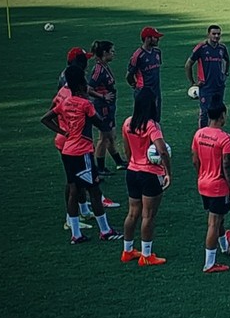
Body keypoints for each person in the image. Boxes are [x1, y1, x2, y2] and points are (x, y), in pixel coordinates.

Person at [42, 65, 123, 242]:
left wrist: (63, 132)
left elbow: (45, 118)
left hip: (68, 150)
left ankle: (76, 234)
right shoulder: (85, 104)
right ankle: (105, 231)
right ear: (81, 86)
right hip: (82, 152)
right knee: (94, 191)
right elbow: (100, 123)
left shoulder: (65, 102)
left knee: (73, 190)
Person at [121, 88, 171, 266]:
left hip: (132, 171)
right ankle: (147, 255)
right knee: (148, 215)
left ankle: (127, 251)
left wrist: (133, 163)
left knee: (132, 213)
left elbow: (127, 150)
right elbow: (162, 150)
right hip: (149, 174)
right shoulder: (151, 125)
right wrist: (167, 172)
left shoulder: (128, 123)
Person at [51, 52, 95, 234]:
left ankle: (82, 211)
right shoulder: (73, 96)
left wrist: (61, 130)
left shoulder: (62, 91)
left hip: (64, 140)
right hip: (73, 142)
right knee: (74, 183)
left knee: (75, 181)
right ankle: (71, 220)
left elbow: (50, 112)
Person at [191, 103, 230, 274]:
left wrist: (201, 175)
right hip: (218, 186)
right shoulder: (225, 138)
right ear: (222, 116)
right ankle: (209, 264)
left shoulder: (199, 134)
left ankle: (225, 247)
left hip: (203, 183)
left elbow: (195, 160)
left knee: (218, 218)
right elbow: (227, 165)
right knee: (213, 223)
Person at [88, 40, 126, 176]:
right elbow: (89, 88)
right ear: (105, 53)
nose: (114, 54)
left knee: (111, 136)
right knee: (104, 137)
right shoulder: (98, 70)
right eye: (112, 51)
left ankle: (119, 162)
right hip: (102, 106)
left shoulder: (104, 66)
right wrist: (102, 97)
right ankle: (100, 167)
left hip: (108, 106)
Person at [185, 24, 230, 128]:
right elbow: (188, 64)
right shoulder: (201, 48)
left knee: (218, 111)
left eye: (218, 34)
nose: (216, 36)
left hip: (219, 86)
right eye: (214, 34)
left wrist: (225, 73)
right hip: (206, 86)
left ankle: (216, 133)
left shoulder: (222, 48)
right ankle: (202, 135)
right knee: (204, 112)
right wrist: (193, 83)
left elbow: (227, 60)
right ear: (208, 34)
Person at [126, 26, 163, 122]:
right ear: (147, 39)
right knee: (142, 120)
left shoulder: (157, 52)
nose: (158, 39)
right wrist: (135, 85)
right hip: (143, 93)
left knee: (155, 120)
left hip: (156, 92)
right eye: (155, 37)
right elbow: (129, 75)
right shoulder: (138, 55)